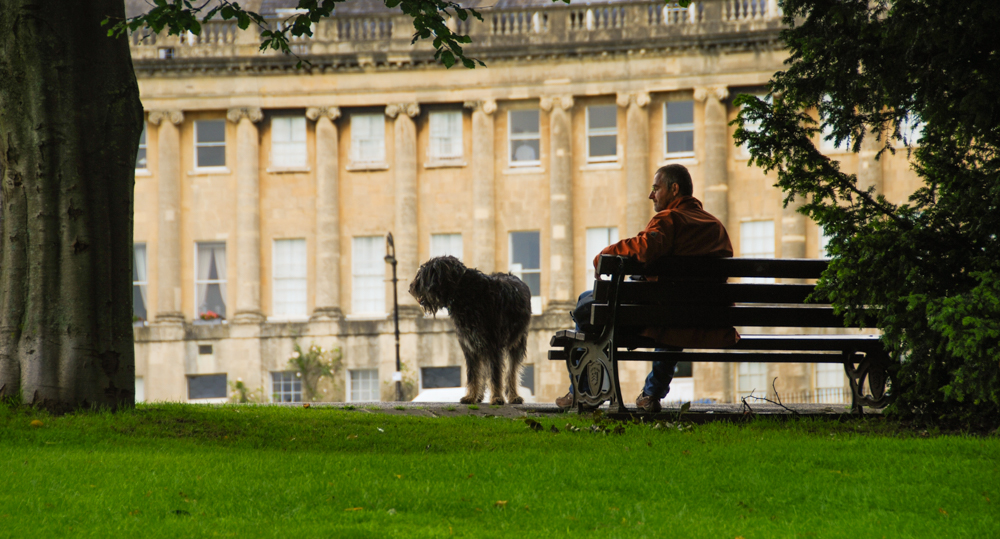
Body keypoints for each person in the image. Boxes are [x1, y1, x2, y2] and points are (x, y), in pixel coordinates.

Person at [555, 164, 739, 412]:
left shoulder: (669, 219)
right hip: (702, 317)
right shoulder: (716, 227)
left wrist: (605, 254)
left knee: (586, 306)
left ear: (674, 189)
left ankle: (583, 390)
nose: (651, 195)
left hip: (659, 313)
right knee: (674, 317)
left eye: (656, 188)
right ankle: (651, 395)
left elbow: (644, 248)